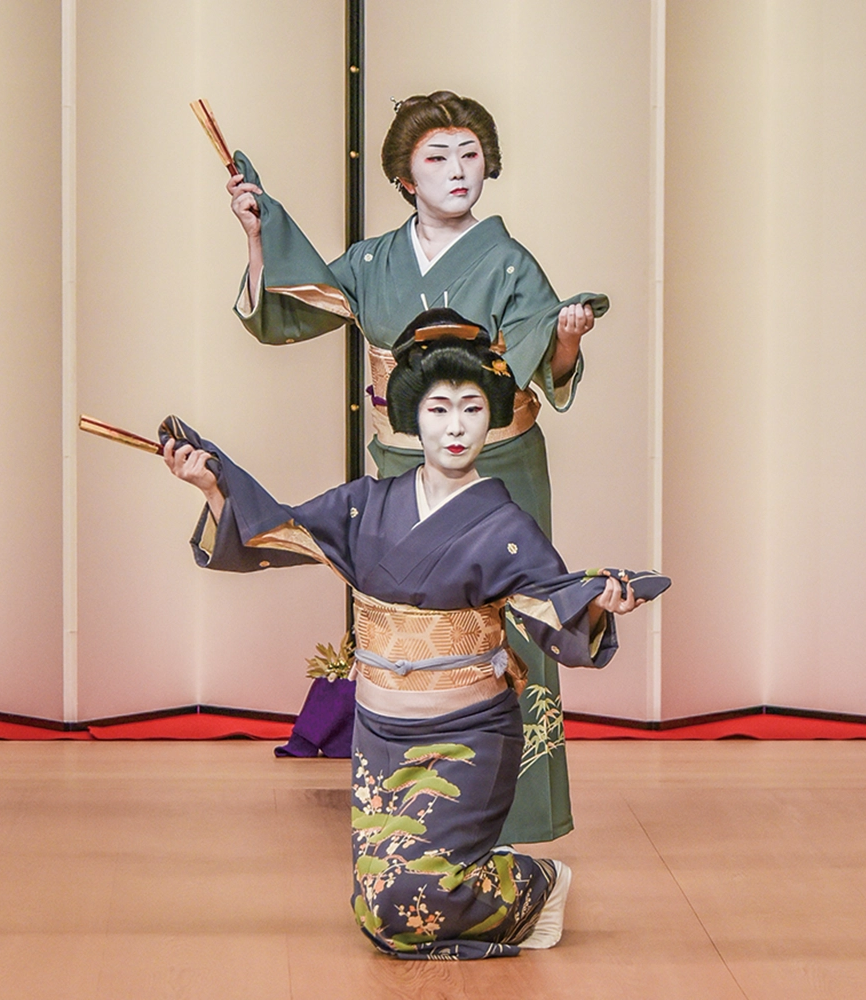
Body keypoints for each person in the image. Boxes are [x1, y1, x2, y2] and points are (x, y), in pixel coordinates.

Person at [161, 311, 668, 959]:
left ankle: (533, 884)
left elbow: (553, 605)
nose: (455, 428)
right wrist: (213, 484)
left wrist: (597, 604)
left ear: (492, 417)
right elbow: (275, 530)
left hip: (468, 732)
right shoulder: (366, 506)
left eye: (472, 409)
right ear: (413, 417)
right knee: (379, 912)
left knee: (413, 901)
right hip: (381, 732)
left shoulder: (505, 526)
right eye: (438, 409)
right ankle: (491, 890)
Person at [224, 91, 611, 845]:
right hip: (404, 467)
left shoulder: (508, 262)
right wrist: (257, 233)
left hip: (499, 466)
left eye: (471, 155)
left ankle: (512, 823)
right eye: (437, 157)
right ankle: (417, 815)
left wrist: (566, 338)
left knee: (512, 625)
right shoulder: (374, 261)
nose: (458, 170)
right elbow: (294, 304)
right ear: (405, 176)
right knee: (410, 626)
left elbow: (545, 364)